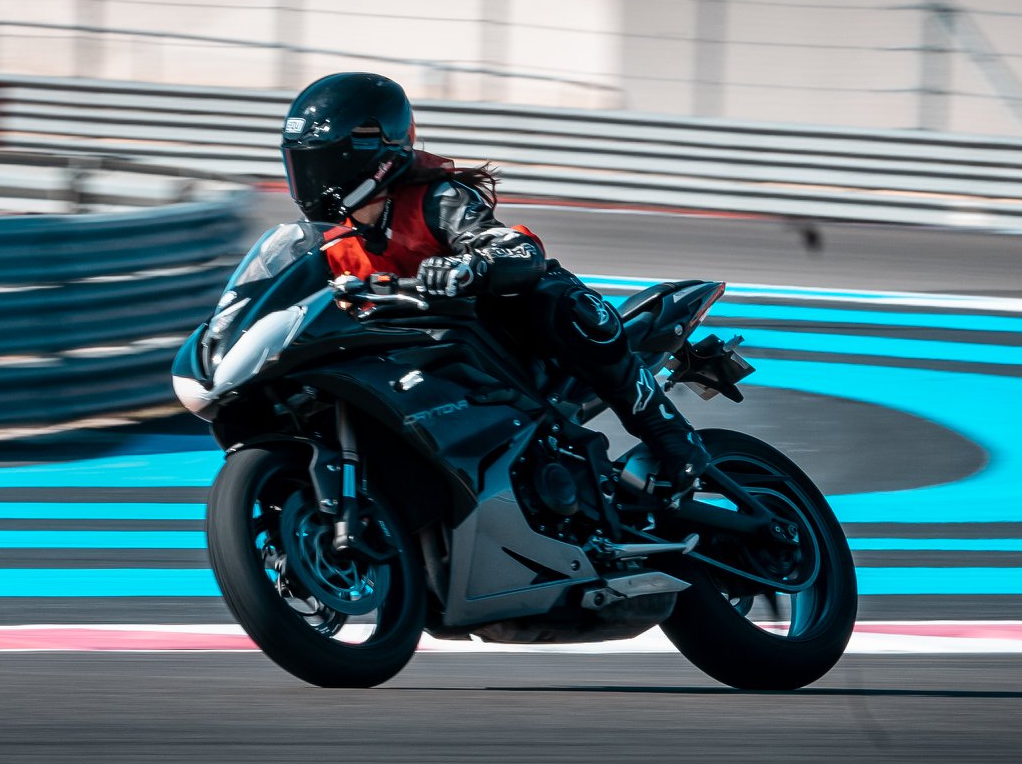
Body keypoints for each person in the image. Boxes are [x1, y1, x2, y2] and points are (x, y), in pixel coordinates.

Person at [279, 71, 710, 500]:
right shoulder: (330, 244)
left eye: (325, 163)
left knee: (560, 304)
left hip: (499, 336)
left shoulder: (435, 199)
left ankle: (668, 432)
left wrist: (470, 266)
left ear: (375, 151)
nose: (317, 180)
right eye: (306, 165)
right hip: (413, 355)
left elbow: (518, 249)